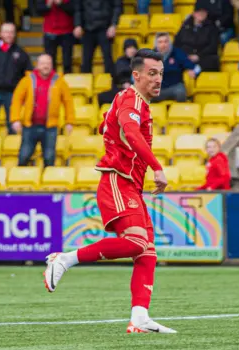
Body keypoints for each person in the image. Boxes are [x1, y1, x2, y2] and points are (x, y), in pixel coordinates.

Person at [43, 49, 176, 334]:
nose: (158, 79)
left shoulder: (134, 102)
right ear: (136, 75)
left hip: (130, 183)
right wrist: (156, 167)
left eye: (161, 73)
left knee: (148, 252)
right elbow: (130, 132)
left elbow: (107, 124)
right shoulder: (131, 99)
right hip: (117, 179)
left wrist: (109, 126)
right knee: (138, 243)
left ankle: (139, 316)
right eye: (152, 73)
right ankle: (65, 259)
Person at [11, 54, 74, 167]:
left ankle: (48, 183)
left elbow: (68, 102)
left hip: (50, 127)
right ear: (37, 65)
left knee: (49, 158)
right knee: (24, 155)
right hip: (30, 126)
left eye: (48, 63)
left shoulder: (60, 81)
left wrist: (69, 121)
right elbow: (17, 100)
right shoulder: (27, 80)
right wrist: (15, 119)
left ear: (52, 65)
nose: (46, 66)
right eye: (43, 63)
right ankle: (22, 181)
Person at [0, 22, 33, 135]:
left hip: (13, 94)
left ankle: (12, 149)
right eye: (6, 31)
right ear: (0, 33)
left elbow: (29, 75)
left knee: (13, 125)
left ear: (15, 34)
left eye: (11, 32)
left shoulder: (21, 53)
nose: (9, 34)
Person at [73, 0, 121, 75]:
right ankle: (86, 83)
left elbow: (117, 6)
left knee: (108, 59)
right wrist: (78, 25)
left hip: (105, 29)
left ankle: (110, 83)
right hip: (87, 30)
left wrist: (113, 25)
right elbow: (78, 9)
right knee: (86, 60)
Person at [153, 32, 200, 103]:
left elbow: (197, 68)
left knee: (180, 92)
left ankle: (180, 112)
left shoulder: (178, 53)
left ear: (170, 43)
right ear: (156, 44)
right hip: (158, 88)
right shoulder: (150, 55)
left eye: (166, 41)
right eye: (160, 42)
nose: (163, 44)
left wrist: (193, 71)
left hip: (175, 86)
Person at [174, 4, 220, 73]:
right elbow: (176, 44)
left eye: (203, 12)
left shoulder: (212, 28)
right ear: (194, 13)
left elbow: (213, 46)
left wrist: (198, 56)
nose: (201, 14)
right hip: (185, 57)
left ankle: (195, 70)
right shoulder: (185, 27)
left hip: (203, 58)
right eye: (199, 12)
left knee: (212, 61)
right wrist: (186, 56)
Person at [37, 0, 75, 74]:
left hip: (67, 31)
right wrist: (48, 5)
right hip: (49, 32)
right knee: (50, 63)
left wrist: (61, 4)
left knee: (67, 62)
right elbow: (39, 10)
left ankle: (66, 84)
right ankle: (51, 84)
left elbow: (74, 10)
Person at [98, 39, 138, 106]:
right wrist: (124, 83)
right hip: (121, 89)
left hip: (136, 91)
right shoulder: (120, 62)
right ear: (125, 50)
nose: (132, 50)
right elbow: (118, 76)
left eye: (134, 48)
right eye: (129, 48)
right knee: (102, 96)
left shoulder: (141, 63)